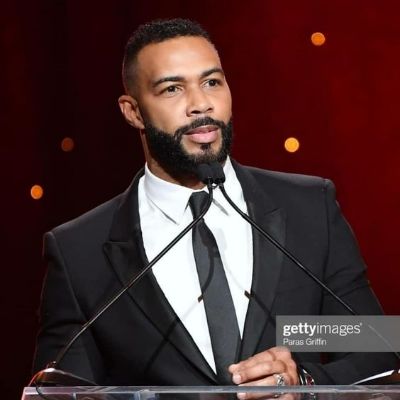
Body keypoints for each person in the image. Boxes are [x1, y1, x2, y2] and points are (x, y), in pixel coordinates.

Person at [33, 18, 398, 390]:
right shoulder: (80, 251)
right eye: (172, 89)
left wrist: (304, 382)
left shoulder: (308, 210)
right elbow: (60, 390)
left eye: (211, 82)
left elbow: (375, 355)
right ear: (133, 112)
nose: (201, 104)